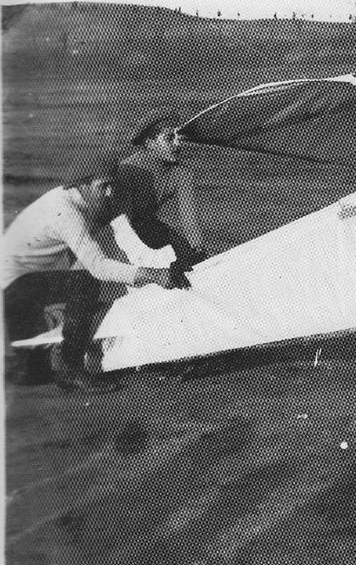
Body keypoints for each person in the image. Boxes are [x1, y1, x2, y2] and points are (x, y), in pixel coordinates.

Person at [4, 159, 183, 392]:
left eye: (112, 185)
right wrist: (153, 275)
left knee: (32, 371)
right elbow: (98, 266)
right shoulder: (66, 211)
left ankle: (44, 352)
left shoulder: (73, 199)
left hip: (19, 281)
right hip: (12, 288)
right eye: (103, 186)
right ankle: (71, 369)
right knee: (85, 284)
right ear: (82, 185)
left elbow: (79, 254)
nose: (109, 193)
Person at [116, 108, 207, 270]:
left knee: (193, 255)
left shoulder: (182, 174)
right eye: (169, 138)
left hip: (149, 228)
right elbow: (120, 225)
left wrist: (199, 251)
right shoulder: (127, 170)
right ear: (150, 143)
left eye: (179, 138)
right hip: (116, 231)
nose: (178, 144)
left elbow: (190, 222)